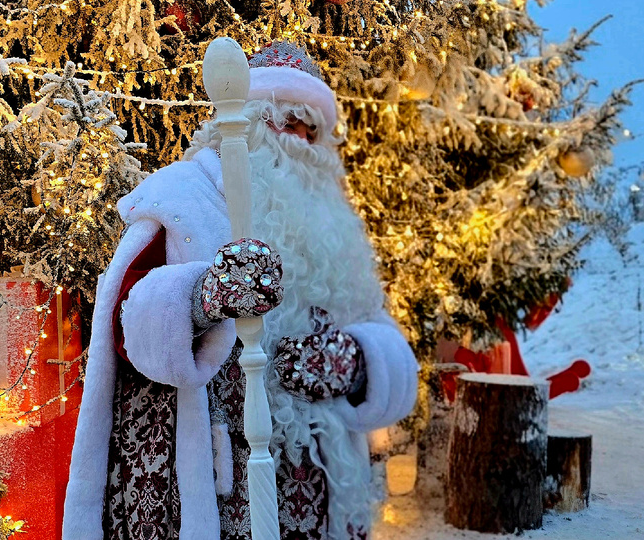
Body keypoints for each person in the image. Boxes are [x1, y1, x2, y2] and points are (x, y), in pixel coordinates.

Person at [63, 42, 419, 540]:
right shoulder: (184, 197)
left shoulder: (334, 226)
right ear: (249, 121)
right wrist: (206, 296)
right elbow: (126, 322)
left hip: (321, 488)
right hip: (218, 484)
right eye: (285, 121)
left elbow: (383, 337)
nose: (298, 139)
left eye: (310, 128)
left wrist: (355, 363)